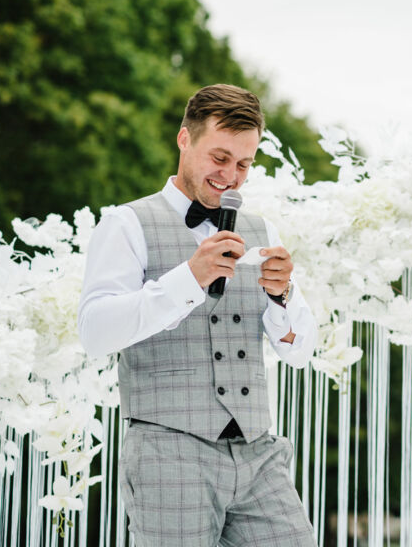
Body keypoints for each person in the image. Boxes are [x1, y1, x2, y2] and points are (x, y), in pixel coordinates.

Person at [78, 84, 318, 547]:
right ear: (184, 139)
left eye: (244, 164)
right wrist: (188, 278)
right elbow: (95, 332)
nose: (231, 176)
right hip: (169, 452)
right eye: (220, 157)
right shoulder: (126, 224)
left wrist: (281, 295)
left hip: (258, 454)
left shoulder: (262, 230)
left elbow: (300, 352)